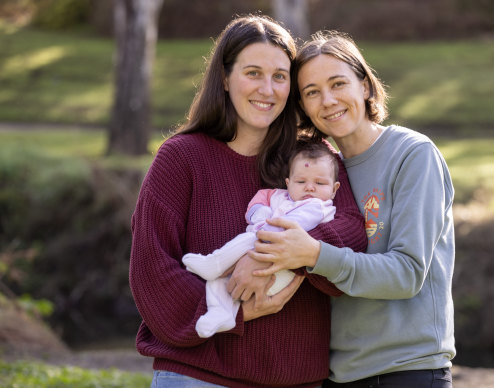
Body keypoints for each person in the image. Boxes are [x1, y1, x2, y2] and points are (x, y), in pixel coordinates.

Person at [129, 15, 367, 388]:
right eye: (253, 73)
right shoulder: (181, 158)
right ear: (224, 78)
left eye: (280, 76)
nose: (268, 90)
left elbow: (352, 232)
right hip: (198, 377)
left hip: (297, 380)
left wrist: (281, 254)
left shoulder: (311, 158)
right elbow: (152, 272)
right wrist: (235, 306)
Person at [250, 30, 456, 388]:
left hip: (408, 370)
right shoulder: (316, 173)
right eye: (312, 92)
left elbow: (408, 273)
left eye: (338, 84)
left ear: (364, 85)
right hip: (338, 375)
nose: (328, 101)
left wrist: (315, 254)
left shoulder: (412, 154)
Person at [182, 140, 341, 338]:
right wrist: (260, 212)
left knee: (246, 241)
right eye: (301, 182)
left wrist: (263, 229)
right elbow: (259, 200)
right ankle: (220, 313)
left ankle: (215, 263)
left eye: (320, 183)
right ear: (288, 183)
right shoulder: (282, 197)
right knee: (219, 283)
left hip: (279, 270)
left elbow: (290, 227)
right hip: (260, 257)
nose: (310, 188)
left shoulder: (320, 208)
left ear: (334, 189)